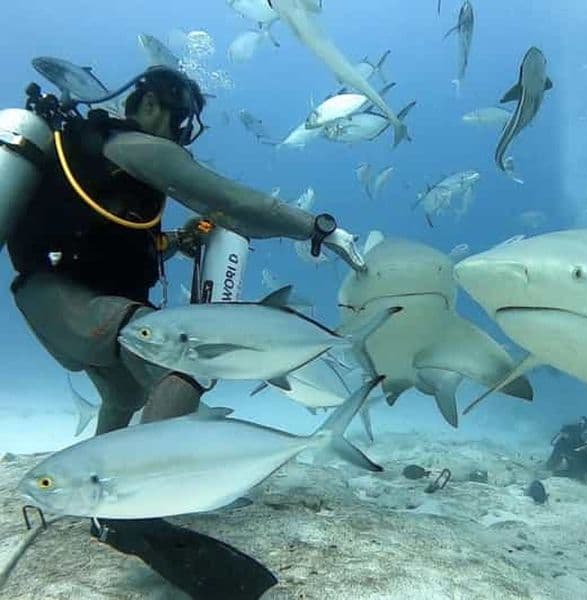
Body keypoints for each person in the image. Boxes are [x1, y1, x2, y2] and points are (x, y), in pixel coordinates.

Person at [6, 66, 367, 436]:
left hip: (62, 302)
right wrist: (319, 229)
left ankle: (95, 484)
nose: (181, 136)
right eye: (179, 121)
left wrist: (176, 242)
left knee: (125, 398)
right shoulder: (130, 145)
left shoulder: (107, 166)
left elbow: (107, 252)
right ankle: (147, 483)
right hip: (65, 300)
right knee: (189, 359)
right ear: (149, 103)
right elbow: (234, 204)